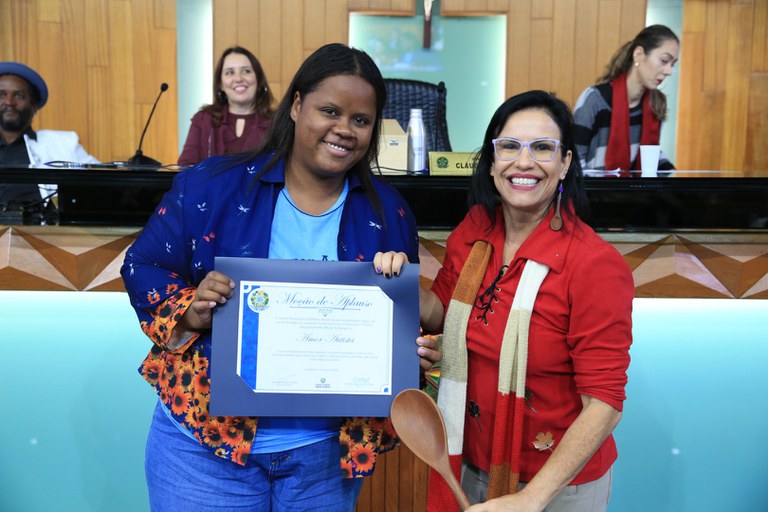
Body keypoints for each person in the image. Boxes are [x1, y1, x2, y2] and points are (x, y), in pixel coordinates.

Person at [121, 43, 420, 512]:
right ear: (297, 105)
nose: (344, 129)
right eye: (329, 111)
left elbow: (404, 327)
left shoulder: (389, 212)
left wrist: (411, 340)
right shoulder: (211, 185)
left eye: (361, 120)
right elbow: (142, 265)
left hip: (323, 459)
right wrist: (191, 309)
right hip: (204, 448)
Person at [415, 90, 634, 511]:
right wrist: (390, 278)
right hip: (467, 464)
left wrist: (531, 499)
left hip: (556, 488)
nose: (524, 162)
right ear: (492, 160)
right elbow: (442, 311)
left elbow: (604, 404)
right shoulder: (475, 230)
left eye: (543, 148)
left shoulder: (593, 264)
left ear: (565, 162)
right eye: (510, 146)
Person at [573, 25, 679, 174]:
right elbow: (574, 161)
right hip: (593, 188)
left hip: (635, 189)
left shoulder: (656, 103)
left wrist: (678, 177)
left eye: (672, 64)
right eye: (664, 60)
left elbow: (649, 155)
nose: (669, 71)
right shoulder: (594, 99)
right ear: (638, 54)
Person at [0, 61, 98, 212]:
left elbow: (104, 181)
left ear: (34, 105)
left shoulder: (63, 144)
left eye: (19, 96)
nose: (9, 102)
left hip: (42, 226)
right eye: (1, 95)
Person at [178, 46, 275, 166]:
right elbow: (186, 167)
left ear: (258, 79)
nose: (238, 78)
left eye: (246, 71)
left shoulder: (277, 122)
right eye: (230, 72)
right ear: (221, 84)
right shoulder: (203, 120)